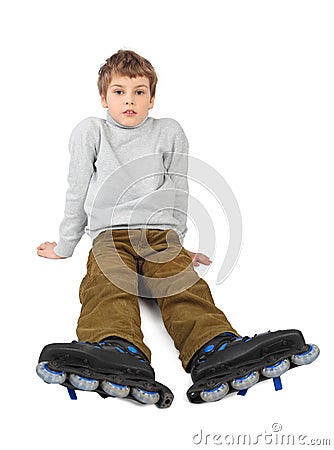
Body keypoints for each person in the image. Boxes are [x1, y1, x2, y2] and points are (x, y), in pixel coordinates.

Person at [36, 50, 319, 407]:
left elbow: (178, 188)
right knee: (107, 285)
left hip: (159, 233)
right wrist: (65, 245)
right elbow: (76, 189)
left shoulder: (168, 131)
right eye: (119, 91)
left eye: (139, 92)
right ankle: (116, 348)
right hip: (109, 234)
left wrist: (178, 241)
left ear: (152, 98)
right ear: (103, 97)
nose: (129, 100)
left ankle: (214, 347)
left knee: (180, 281)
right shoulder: (91, 131)